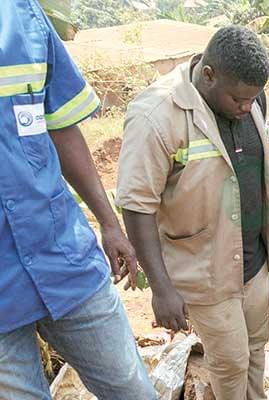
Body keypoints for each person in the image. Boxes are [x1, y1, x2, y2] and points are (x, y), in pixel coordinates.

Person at [116, 26, 269, 400]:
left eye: (253, 100)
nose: (247, 108)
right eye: (239, 100)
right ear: (208, 76)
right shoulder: (156, 117)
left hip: (254, 262)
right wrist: (161, 288)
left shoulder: (251, 98)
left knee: (256, 351)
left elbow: (254, 169)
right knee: (230, 363)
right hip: (205, 271)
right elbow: (136, 204)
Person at [0, 1, 155, 398]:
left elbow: (61, 126)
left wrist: (107, 221)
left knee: (133, 389)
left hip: (63, 256)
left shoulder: (24, 15)